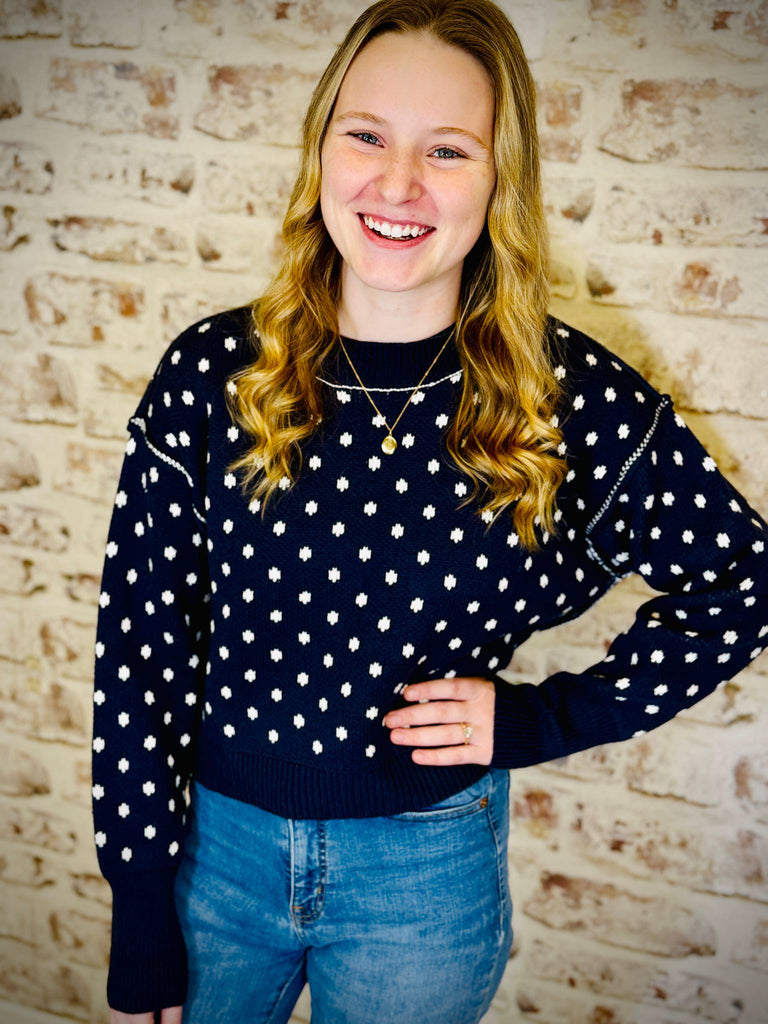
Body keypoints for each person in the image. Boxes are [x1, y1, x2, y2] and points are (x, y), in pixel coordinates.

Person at [91, 1, 768, 1021]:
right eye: (365, 134)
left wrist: (542, 717)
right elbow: (139, 645)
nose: (398, 183)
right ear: (321, 149)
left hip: (422, 883)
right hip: (210, 866)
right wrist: (139, 903)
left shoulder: (565, 395)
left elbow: (742, 580)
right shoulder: (211, 373)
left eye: (448, 150)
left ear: (500, 181)